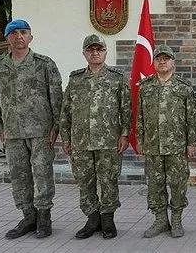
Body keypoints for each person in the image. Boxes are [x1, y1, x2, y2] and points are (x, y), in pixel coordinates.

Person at [0, 19, 62, 239]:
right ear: (7, 38)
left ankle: (44, 218)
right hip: (12, 132)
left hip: (41, 130)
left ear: (31, 37)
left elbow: (56, 96)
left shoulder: (44, 63)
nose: (19, 36)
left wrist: (56, 125)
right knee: (19, 176)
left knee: (42, 174)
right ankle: (28, 217)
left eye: (23, 32)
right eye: (14, 33)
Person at [59, 34, 130, 239]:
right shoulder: (75, 79)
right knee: (84, 181)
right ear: (84, 53)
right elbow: (66, 111)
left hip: (109, 141)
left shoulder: (117, 78)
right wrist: (66, 138)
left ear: (105, 51)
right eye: (91, 50)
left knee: (108, 180)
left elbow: (126, 109)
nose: (95, 53)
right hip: (80, 141)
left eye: (99, 49)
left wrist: (124, 134)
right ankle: (92, 218)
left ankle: (107, 218)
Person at [137, 45, 196, 238]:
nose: (162, 62)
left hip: (177, 145)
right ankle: (161, 220)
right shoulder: (145, 87)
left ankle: (177, 219)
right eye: (158, 59)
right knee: (155, 184)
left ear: (173, 62)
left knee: (178, 184)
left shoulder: (183, 87)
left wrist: (191, 142)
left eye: (166, 58)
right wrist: (140, 139)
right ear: (153, 62)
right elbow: (140, 117)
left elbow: (191, 117)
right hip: (153, 145)